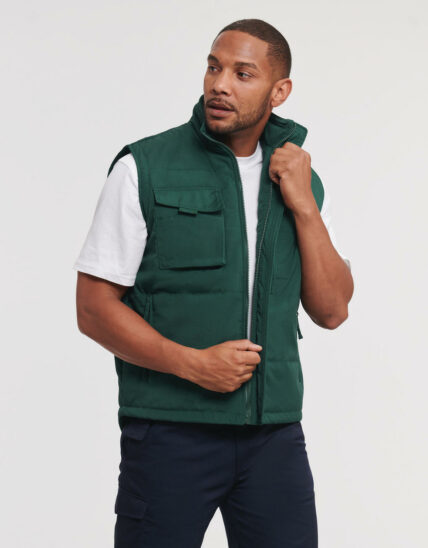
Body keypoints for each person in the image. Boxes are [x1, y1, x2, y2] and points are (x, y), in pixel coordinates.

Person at [73, 18, 354, 548]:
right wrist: (192, 364)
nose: (220, 84)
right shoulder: (144, 167)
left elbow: (332, 310)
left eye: (242, 74)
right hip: (169, 432)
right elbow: (93, 308)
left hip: (273, 438)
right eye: (213, 67)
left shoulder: (300, 181)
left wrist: (303, 204)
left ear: (279, 91)